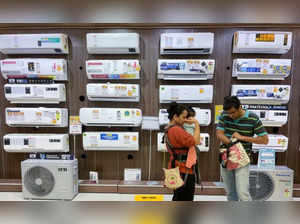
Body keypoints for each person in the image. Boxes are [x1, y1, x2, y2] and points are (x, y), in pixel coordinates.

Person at [216, 96, 268, 201]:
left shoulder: (253, 118)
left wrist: (242, 137)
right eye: (228, 113)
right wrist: (233, 144)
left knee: (242, 193)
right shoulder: (224, 115)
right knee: (231, 193)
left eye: (233, 112)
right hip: (226, 157)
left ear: (240, 107)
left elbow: (264, 140)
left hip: (243, 159)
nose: (231, 116)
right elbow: (219, 134)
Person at [165, 103, 200, 201]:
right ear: (175, 117)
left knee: (178, 197)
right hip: (184, 170)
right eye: (183, 117)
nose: (185, 119)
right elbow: (196, 141)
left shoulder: (170, 128)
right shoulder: (176, 130)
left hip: (177, 168)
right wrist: (196, 124)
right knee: (185, 198)